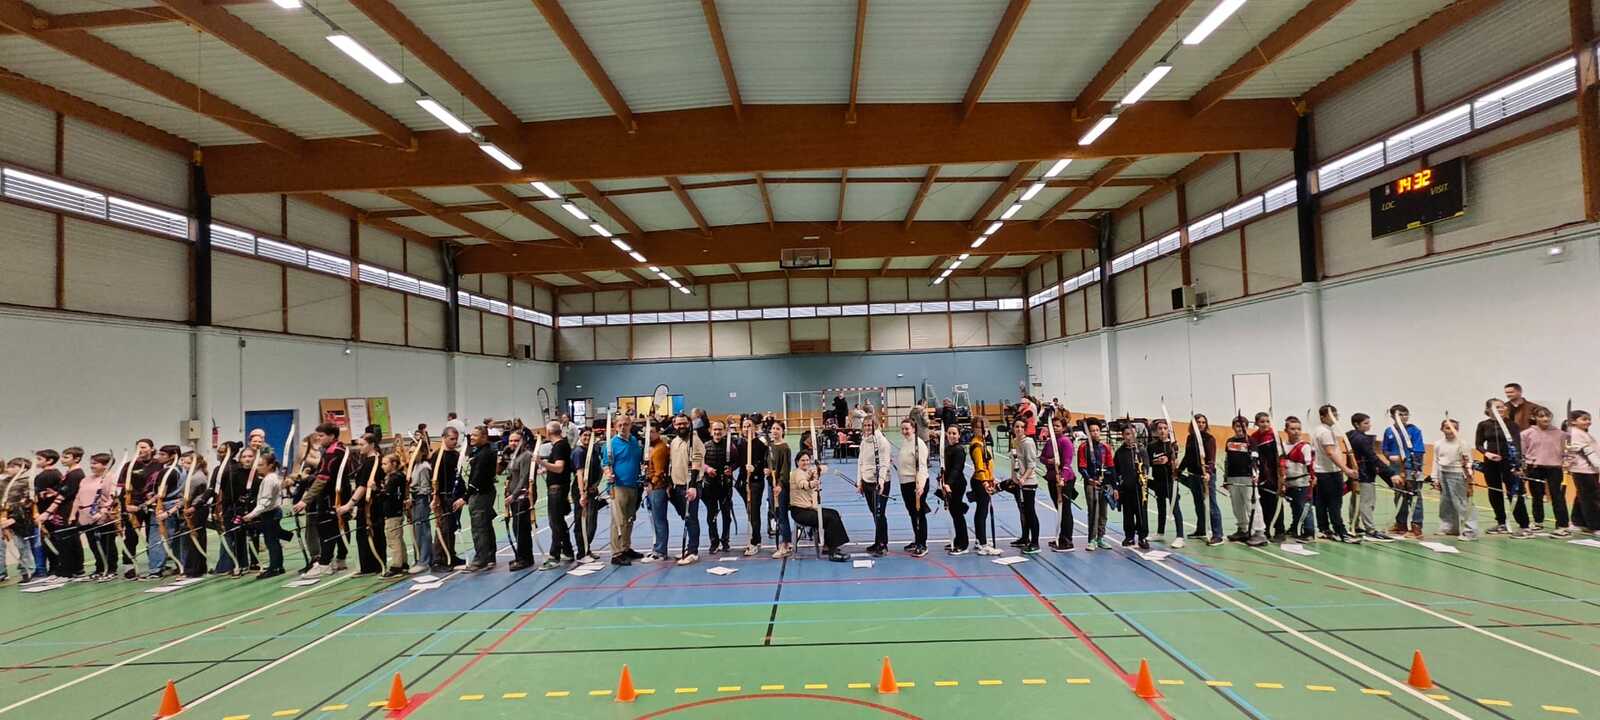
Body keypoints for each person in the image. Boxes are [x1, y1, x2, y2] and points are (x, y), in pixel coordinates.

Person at [294, 424, 346, 578]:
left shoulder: (333, 453)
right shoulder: (340, 448)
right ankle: (337, 559)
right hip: (335, 496)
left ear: (332, 436)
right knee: (335, 529)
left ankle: (324, 564)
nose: (318, 438)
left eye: (322, 436)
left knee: (326, 529)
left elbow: (322, 479)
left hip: (331, 498)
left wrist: (305, 500)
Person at [1476, 398, 1530, 537]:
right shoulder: (1483, 425)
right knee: (1494, 491)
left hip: (1509, 462)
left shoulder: (1511, 425)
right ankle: (1501, 523)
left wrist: (1517, 463)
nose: (1501, 409)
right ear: (1489, 410)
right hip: (1491, 462)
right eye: (1497, 407)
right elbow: (1479, 444)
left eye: (1502, 407)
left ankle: (1524, 525)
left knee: (1514, 492)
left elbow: (1516, 444)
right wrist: (1487, 453)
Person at [789, 450, 850, 562]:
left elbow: (822, 469)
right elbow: (802, 484)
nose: (806, 462)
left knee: (834, 513)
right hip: (800, 512)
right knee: (830, 517)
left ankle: (828, 546)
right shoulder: (797, 473)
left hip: (809, 509)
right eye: (802, 460)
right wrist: (812, 483)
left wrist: (818, 470)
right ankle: (833, 552)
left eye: (807, 460)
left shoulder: (806, 472)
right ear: (797, 462)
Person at [1311, 406, 1360, 544]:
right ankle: (1341, 532)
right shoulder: (1325, 432)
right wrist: (1346, 469)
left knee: (1322, 503)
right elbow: (1330, 452)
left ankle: (1324, 529)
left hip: (1322, 472)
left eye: (1336, 414)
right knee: (1334, 503)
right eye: (1332, 415)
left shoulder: (1319, 430)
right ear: (1323, 417)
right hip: (1330, 473)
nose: (1335, 417)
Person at [1343, 413, 1394, 540]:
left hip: (1357, 473)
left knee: (1356, 500)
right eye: (1366, 423)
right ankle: (1370, 529)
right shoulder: (1361, 439)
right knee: (1367, 502)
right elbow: (1372, 458)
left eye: (1369, 422)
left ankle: (1354, 525)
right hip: (1364, 474)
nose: (1369, 425)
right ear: (1356, 424)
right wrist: (1390, 473)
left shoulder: (1351, 436)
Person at [339, 433, 383, 576]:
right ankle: (369, 566)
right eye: (359, 444)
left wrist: (349, 505)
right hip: (367, 504)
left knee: (368, 535)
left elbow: (363, 486)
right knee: (364, 535)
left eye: (362, 444)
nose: (359, 447)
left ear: (372, 444)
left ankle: (373, 566)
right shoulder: (370, 460)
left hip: (370, 505)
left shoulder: (372, 462)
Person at [1521, 407, 1568, 535]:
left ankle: (1562, 525)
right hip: (1535, 468)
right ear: (1534, 418)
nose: (1545, 419)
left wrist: (1567, 460)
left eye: (1548, 416)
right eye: (1541, 416)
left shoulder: (1561, 434)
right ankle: (1538, 522)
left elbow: (1567, 451)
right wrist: (1523, 468)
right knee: (1537, 496)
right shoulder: (1526, 433)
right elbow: (1522, 453)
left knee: (1557, 496)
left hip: (1554, 468)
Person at [1381, 405, 1426, 539]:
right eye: (1400, 415)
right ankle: (1401, 524)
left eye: (1406, 414)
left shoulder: (1414, 430)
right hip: (1395, 468)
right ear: (1393, 416)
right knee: (1399, 495)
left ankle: (1416, 526)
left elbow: (1418, 451)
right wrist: (1390, 457)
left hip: (1411, 467)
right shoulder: (1389, 431)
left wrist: (1415, 468)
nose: (1404, 417)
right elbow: (1385, 449)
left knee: (1414, 496)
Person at [1178, 414, 1223, 545]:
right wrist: (1179, 470)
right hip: (1193, 475)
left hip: (1206, 476)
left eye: (1203, 422)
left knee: (1211, 504)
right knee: (1198, 504)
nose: (1201, 424)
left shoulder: (1209, 439)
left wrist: (1208, 472)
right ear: (1193, 424)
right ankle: (1201, 530)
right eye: (1198, 422)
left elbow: (1211, 459)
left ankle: (1217, 534)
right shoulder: (1190, 438)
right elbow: (1187, 456)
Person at [606, 415, 644, 566]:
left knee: (629, 519)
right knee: (618, 520)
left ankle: (625, 548)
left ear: (630, 426)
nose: (623, 427)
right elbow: (606, 464)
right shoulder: (611, 444)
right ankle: (616, 553)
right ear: (616, 427)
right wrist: (608, 474)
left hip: (633, 485)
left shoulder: (634, 441)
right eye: (620, 425)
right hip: (618, 486)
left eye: (626, 424)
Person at [669, 414, 706, 565]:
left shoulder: (695, 441)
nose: (681, 426)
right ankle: (689, 547)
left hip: (690, 486)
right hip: (676, 486)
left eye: (684, 423)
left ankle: (693, 551)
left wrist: (692, 486)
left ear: (689, 424)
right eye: (678, 424)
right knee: (686, 517)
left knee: (691, 518)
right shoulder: (674, 442)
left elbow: (697, 464)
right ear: (674, 425)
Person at [74, 453, 117, 581]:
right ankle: (99, 568)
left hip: (103, 516)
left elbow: (112, 498)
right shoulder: (86, 480)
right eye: (91, 463)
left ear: (105, 465)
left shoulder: (111, 478)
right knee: (93, 544)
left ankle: (110, 569)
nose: (91, 466)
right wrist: (73, 514)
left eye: (95, 463)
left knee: (106, 544)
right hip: (87, 516)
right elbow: (78, 497)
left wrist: (103, 512)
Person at [537, 422, 574, 570]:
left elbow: (559, 468)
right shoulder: (560, 445)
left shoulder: (559, 446)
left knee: (555, 522)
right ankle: (568, 551)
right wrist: (546, 469)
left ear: (548, 432)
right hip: (557, 488)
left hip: (557, 489)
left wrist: (541, 462)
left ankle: (554, 556)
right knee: (559, 521)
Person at [1434, 418, 1478, 541]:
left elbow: (1469, 461)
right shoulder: (1438, 444)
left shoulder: (1463, 444)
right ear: (1442, 429)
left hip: (1458, 474)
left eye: (1455, 428)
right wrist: (1435, 478)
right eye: (1448, 428)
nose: (1451, 431)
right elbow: (1436, 461)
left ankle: (1470, 531)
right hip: (1443, 473)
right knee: (1446, 502)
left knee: (1462, 503)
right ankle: (1450, 527)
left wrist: (1469, 477)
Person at [464, 426, 499, 570]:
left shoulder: (484, 454)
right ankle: (490, 556)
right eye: (471, 435)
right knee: (486, 525)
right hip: (485, 492)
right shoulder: (481, 451)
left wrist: (465, 497)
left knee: (479, 527)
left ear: (484, 437)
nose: (471, 437)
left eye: (475, 435)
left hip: (481, 494)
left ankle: (480, 560)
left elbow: (477, 477)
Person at [856, 417, 892, 557]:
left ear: (875, 426)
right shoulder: (864, 441)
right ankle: (878, 541)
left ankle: (883, 544)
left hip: (880, 483)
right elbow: (861, 463)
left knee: (879, 513)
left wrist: (881, 481)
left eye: (869, 426)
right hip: (866, 482)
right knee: (874, 513)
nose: (867, 428)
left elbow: (884, 463)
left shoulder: (882, 442)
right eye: (865, 425)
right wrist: (860, 481)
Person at [1075, 419, 1112, 551]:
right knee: (1093, 511)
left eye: (1097, 430)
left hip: (1104, 483)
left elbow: (1110, 466)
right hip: (1091, 483)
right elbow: (1081, 466)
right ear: (1088, 433)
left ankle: (1101, 537)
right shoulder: (1083, 447)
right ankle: (1092, 539)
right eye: (1092, 431)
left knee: (1103, 512)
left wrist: (1109, 482)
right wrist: (1090, 480)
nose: (1095, 433)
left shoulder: (1105, 447)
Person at [1114, 422, 1152, 550]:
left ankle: (1142, 537)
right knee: (1128, 514)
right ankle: (1129, 536)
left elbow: (1146, 467)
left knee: (1141, 513)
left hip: (1140, 489)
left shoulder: (1141, 450)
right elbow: (1116, 470)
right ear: (1123, 435)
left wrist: (1142, 474)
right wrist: (1118, 486)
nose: (1130, 437)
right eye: (1127, 434)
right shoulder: (1119, 452)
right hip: (1126, 489)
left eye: (1133, 434)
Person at [2, 458, 41, 583]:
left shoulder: (28, 482)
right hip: (4, 518)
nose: (9, 469)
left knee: (22, 546)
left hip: (21, 519)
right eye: (9, 466)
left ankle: (27, 571)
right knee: (9, 545)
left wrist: (14, 518)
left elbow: (28, 502)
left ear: (23, 469)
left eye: (13, 467)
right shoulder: (3, 483)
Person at [502, 430, 536, 571]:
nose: (513, 443)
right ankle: (522, 555)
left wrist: (514, 495)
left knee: (522, 529)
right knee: (517, 528)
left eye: (516, 440)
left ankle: (525, 559)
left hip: (522, 497)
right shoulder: (513, 456)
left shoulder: (526, 456)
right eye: (511, 441)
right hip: (514, 498)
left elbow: (524, 478)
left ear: (523, 441)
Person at [896, 419, 931, 557]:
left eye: (907, 429)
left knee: (919, 514)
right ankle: (917, 540)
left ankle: (922, 544)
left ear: (913, 429)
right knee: (912, 513)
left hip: (916, 484)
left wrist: (920, 485)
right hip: (905, 483)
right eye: (903, 429)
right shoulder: (906, 442)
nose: (904, 431)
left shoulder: (919, 444)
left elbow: (922, 467)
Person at [1249, 413, 1285, 541]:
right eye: (1262, 421)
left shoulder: (1274, 436)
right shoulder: (1253, 438)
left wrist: (1282, 476)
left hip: (1274, 475)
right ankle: (1266, 530)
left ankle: (1280, 531)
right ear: (1256, 423)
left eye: (1267, 421)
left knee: (1276, 502)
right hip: (1261, 476)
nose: (1265, 424)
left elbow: (1281, 457)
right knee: (1263, 503)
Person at [1043, 417, 1076, 552]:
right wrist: (1049, 461)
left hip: (1064, 480)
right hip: (1052, 479)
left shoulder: (1065, 442)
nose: (1055, 428)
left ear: (1063, 428)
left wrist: (1062, 478)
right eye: (1053, 426)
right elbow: (1042, 457)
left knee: (1065, 509)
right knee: (1059, 509)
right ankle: (1061, 536)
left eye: (1058, 426)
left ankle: (1067, 540)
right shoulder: (1050, 442)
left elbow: (1067, 463)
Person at [736, 417, 769, 556]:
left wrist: (755, 467)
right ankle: (756, 537)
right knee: (749, 510)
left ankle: (755, 542)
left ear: (754, 428)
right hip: (743, 482)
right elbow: (736, 461)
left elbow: (765, 463)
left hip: (756, 482)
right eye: (744, 426)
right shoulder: (739, 444)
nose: (746, 429)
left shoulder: (761, 444)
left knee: (754, 511)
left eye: (749, 426)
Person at [968, 417, 1000, 555]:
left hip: (986, 480)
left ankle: (979, 539)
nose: (984, 430)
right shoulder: (977, 445)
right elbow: (979, 467)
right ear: (974, 429)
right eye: (980, 428)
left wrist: (992, 478)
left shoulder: (983, 442)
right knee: (982, 512)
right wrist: (985, 482)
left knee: (983, 511)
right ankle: (982, 543)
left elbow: (988, 465)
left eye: (986, 427)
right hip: (980, 482)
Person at [32, 449, 66, 578]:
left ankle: (55, 568)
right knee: (50, 540)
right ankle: (55, 567)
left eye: (39, 459)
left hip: (49, 513)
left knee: (51, 540)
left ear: (49, 460)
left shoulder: (48, 475)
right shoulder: (54, 474)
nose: (36, 461)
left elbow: (55, 493)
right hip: (48, 512)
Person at [1565, 410, 1600, 535]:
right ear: (1573, 421)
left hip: (1589, 470)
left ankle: (1578, 522)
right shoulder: (1575, 433)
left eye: (1589, 419)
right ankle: (1595, 526)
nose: (1588, 422)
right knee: (1591, 498)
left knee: (1583, 496)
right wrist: (1598, 465)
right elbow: (1588, 452)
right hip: (1584, 470)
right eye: (1584, 419)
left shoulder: (1582, 433)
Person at [702, 420, 734, 555]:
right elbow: (699, 462)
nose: (717, 432)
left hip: (725, 486)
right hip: (710, 486)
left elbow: (737, 461)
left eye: (720, 429)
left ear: (724, 431)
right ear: (711, 431)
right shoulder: (705, 446)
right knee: (711, 516)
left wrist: (731, 469)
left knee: (727, 515)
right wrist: (707, 468)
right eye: (715, 429)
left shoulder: (730, 446)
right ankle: (714, 542)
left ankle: (725, 541)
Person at [1281, 417, 1316, 542]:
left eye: (1299, 429)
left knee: (1304, 507)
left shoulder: (1305, 446)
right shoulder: (1283, 445)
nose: (1296, 432)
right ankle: (1295, 528)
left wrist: (1313, 478)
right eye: (1292, 429)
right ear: (1286, 430)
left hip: (1302, 482)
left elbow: (1310, 465)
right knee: (1295, 507)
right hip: (1289, 482)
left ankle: (1309, 532)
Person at [1149, 419, 1182, 546]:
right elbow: (1149, 461)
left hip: (1171, 481)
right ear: (1156, 431)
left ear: (1169, 430)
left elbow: (1175, 463)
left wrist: (1169, 460)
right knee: (1160, 507)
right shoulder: (1152, 446)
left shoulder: (1173, 445)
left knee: (1175, 506)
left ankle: (1180, 537)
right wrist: (1156, 462)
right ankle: (1160, 532)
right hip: (1158, 481)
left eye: (1165, 428)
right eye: (1160, 428)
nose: (1162, 431)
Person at [940, 423, 970, 555]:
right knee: (954, 513)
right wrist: (942, 479)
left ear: (959, 435)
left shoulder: (959, 450)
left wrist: (948, 484)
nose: (951, 435)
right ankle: (958, 539)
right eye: (949, 433)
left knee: (957, 514)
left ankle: (963, 544)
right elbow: (946, 468)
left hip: (957, 485)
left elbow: (957, 469)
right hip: (949, 484)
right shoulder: (948, 448)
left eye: (954, 433)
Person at [407, 434, 434, 574]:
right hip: (414, 502)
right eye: (410, 452)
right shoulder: (414, 466)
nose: (410, 454)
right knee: (417, 531)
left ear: (422, 452)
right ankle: (420, 558)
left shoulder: (423, 467)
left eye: (414, 451)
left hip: (420, 501)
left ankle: (424, 561)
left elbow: (426, 489)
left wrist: (412, 494)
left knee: (422, 531)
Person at [767, 421, 793, 558]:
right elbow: (768, 463)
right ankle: (786, 541)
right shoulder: (770, 446)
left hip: (780, 486)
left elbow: (785, 469)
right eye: (773, 428)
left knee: (782, 514)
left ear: (783, 431)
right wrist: (766, 470)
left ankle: (785, 544)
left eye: (778, 428)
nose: (775, 431)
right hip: (770, 484)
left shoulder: (785, 448)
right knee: (776, 514)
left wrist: (780, 485)